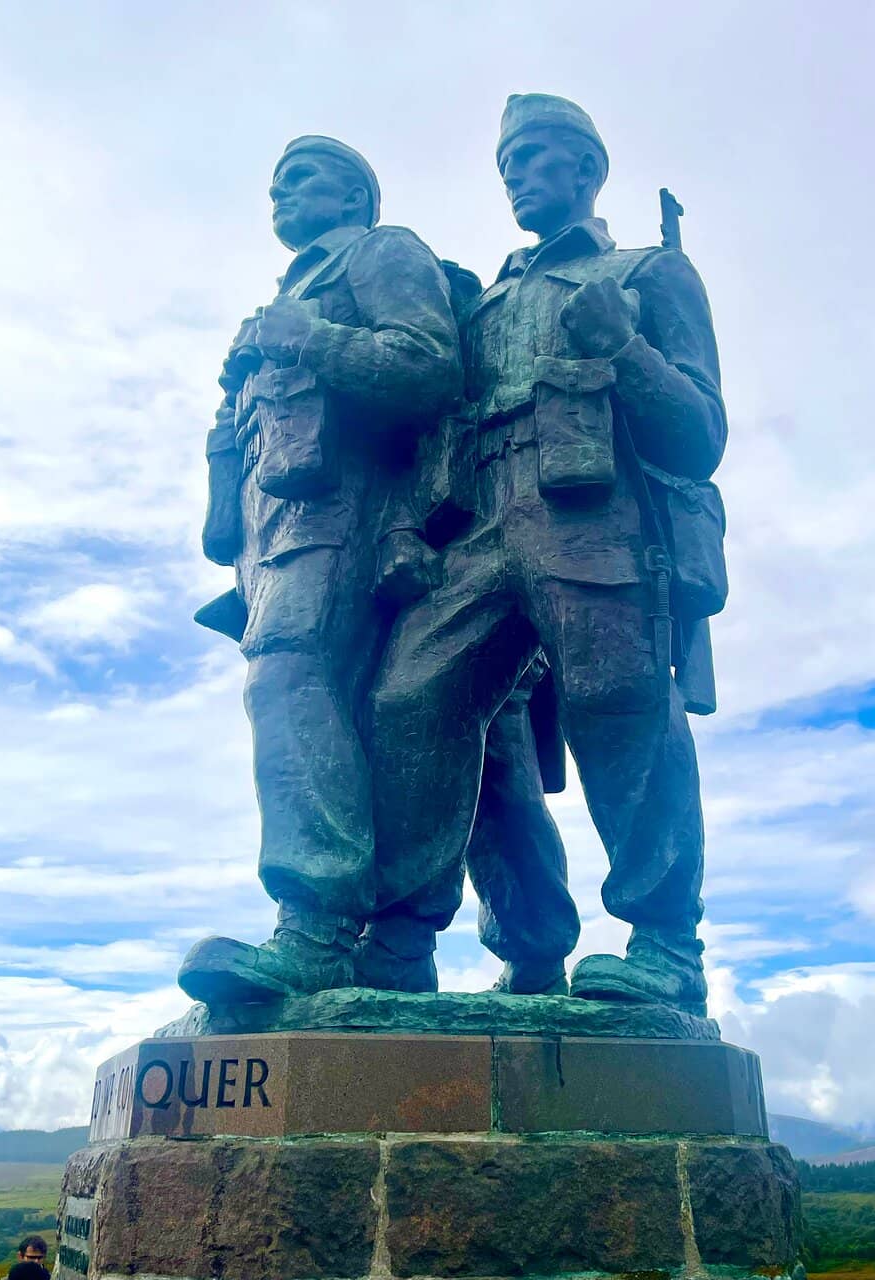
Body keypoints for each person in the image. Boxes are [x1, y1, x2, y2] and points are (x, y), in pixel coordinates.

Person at [369, 93, 727, 1015]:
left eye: (532, 159)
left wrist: (628, 348)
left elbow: (699, 434)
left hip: (592, 517)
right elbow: (448, 427)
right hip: (481, 526)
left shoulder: (649, 271)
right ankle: (403, 937)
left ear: (584, 168)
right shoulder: (486, 307)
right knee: (413, 695)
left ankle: (664, 946)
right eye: (506, 166)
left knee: (622, 707)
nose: (517, 177)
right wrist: (410, 525)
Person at [178, 135, 461, 1004]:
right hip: (276, 535)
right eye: (271, 186)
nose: (278, 196)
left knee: (288, 678)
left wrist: (315, 339)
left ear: (354, 197)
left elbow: (429, 365)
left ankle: (316, 923)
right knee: (343, 715)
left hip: (348, 520)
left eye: (299, 180)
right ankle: (387, 945)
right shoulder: (282, 299)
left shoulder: (382, 252)